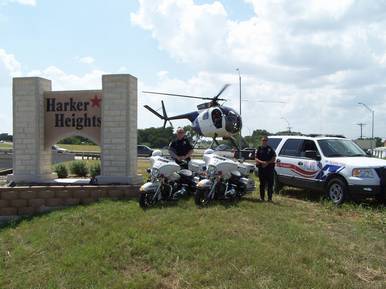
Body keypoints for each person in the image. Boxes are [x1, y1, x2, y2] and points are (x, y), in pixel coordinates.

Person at [255, 136, 276, 201]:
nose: (264, 141)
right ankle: (262, 198)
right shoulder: (259, 148)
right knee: (262, 184)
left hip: (269, 169)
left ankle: (270, 198)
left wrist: (267, 163)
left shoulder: (270, 149)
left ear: (267, 141)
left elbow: (274, 158)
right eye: (263, 140)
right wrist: (262, 162)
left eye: (266, 140)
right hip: (261, 169)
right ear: (261, 141)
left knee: (270, 184)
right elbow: (256, 158)